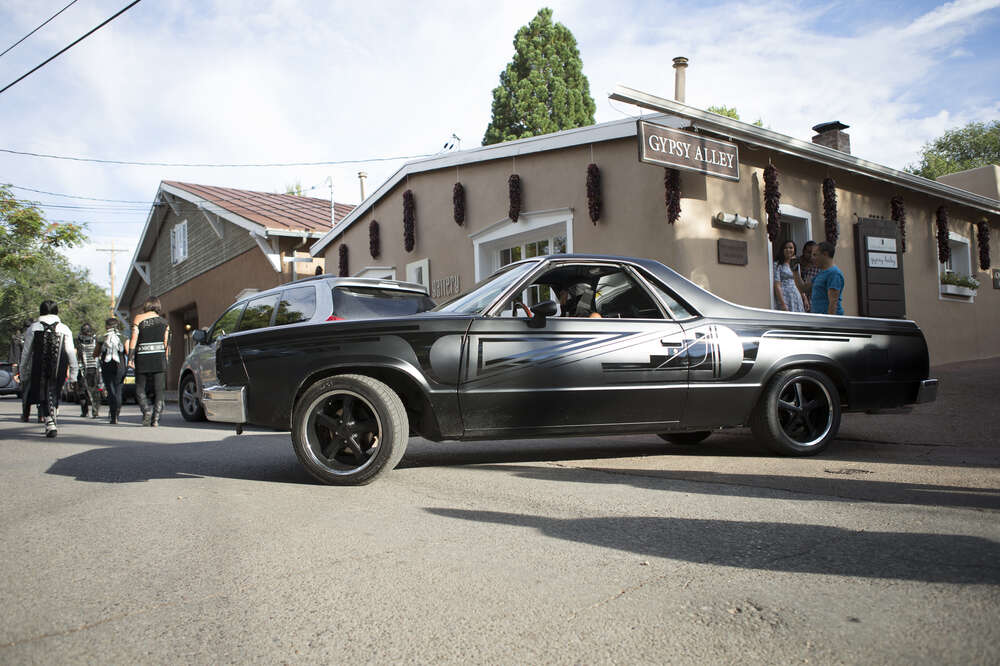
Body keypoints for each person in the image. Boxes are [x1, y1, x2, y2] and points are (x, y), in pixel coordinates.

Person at [19, 301, 78, 438]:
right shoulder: (64, 328)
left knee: (43, 393)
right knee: (54, 391)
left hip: (39, 366)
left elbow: (26, 352)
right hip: (59, 366)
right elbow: (70, 352)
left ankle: (49, 420)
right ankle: (52, 418)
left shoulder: (34, 328)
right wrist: (74, 373)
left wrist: (23, 371)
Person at [129, 297, 169, 426]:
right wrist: (166, 358)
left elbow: (134, 339)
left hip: (142, 356)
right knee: (159, 390)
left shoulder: (138, 319)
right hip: (159, 357)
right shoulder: (164, 322)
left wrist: (130, 357)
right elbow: (166, 343)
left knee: (140, 387)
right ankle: (156, 418)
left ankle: (146, 410)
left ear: (146, 305)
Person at [96, 317, 127, 424]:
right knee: (118, 390)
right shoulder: (123, 337)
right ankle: (117, 413)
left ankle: (113, 415)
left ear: (107, 326)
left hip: (107, 366)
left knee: (110, 390)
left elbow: (96, 353)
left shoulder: (102, 338)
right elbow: (127, 351)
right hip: (120, 366)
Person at [773, 240, 808, 312]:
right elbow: (777, 285)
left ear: (794, 250)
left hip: (796, 296)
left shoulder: (796, 264)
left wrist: (804, 298)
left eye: (791, 248)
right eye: (785, 248)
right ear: (782, 250)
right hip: (785, 296)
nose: (788, 250)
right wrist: (783, 304)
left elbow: (799, 282)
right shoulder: (777, 264)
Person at [811, 241, 845, 315]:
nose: (812, 258)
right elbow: (803, 288)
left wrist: (829, 324)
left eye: (815, 255)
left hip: (828, 321)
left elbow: (833, 302)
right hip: (819, 319)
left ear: (825, 254)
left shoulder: (834, 274)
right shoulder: (821, 273)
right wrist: (795, 271)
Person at [76, 323, 101, 419]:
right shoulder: (95, 339)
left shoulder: (79, 340)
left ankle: (90, 411)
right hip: (88, 367)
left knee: (89, 390)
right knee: (88, 390)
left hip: (89, 367)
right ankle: (90, 411)